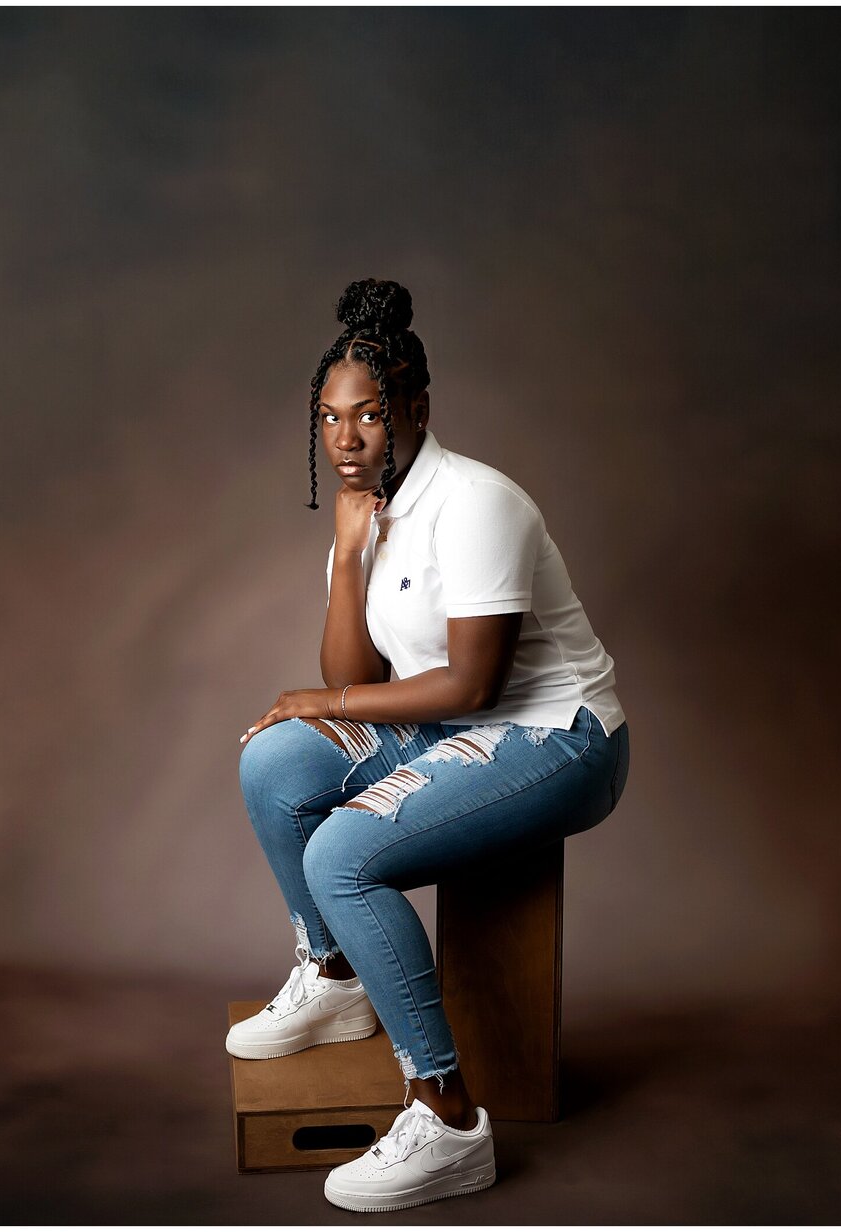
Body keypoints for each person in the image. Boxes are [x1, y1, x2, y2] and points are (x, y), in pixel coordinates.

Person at [228, 277, 630, 1213]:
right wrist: (348, 554)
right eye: (328, 419)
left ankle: (445, 1117)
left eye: (368, 414)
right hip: (448, 727)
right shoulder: (372, 513)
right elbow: (354, 660)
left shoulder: (480, 501)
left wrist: (317, 698)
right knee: (273, 762)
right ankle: (333, 976)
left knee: (342, 851)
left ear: (415, 407)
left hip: (555, 737)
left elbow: (474, 685)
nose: (346, 438)